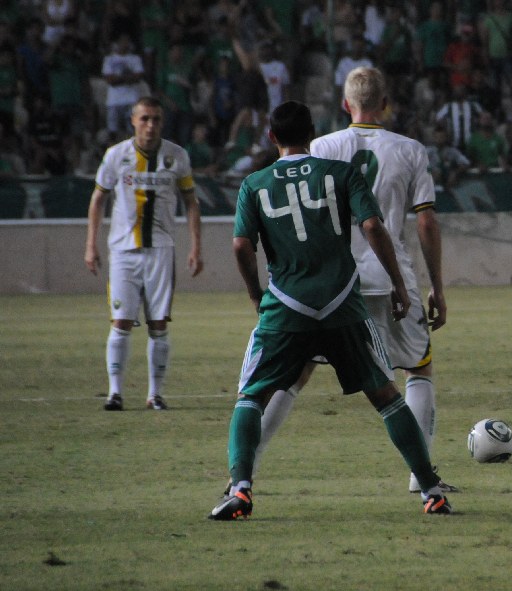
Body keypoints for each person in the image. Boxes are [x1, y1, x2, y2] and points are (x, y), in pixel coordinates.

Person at [208, 100, 452, 520]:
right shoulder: (339, 173)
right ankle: (431, 491)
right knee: (386, 395)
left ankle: (241, 490)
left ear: (271, 138)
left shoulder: (254, 183)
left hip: (286, 306)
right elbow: (372, 226)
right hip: (343, 304)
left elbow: (240, 245)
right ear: (312, 133)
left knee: (252, 394)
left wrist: (254, 294)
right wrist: (397, 282)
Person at [84, 96, 204, 412]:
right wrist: (90, 245)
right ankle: (115, 393)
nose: (151, 125)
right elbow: (98, 200)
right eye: (145, 119)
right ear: (133, 121)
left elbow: (191, 202)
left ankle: (155, 395)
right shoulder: (116, 155)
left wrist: (196, 246)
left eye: (156, 120)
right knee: (121, 322)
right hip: (123, 252)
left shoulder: (176, 156)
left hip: (160, 251)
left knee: (159, 324)